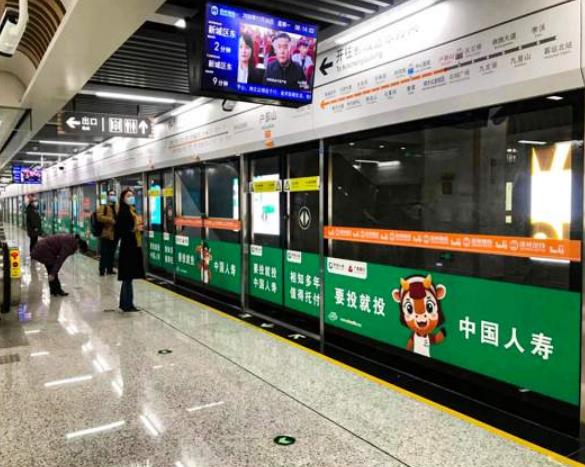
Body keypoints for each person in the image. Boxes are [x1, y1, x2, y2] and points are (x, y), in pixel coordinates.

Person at [115, 188, 145, 312]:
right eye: (128, 196)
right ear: (123, 198)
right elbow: (120, 230)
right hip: (128, 247)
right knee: (128, 277)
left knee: (128, 277)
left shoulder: (132, 210)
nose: (131, 197)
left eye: (132, 195)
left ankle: (126, 303)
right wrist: (134, 229)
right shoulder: (123, 212)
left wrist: (138, 228)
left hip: (132, 245)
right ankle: (127, 304)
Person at [97, 190, 117, 276]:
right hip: (105, 233)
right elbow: (99, 217)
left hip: (115, 234)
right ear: (108, 196)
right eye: (111, 194)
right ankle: (102, 270)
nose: (112, 196)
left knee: (111, 252)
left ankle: (110, 269)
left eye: (114, 194)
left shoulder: (116, 206)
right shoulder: (103, 206)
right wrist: (110, 220)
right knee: (104, 253)